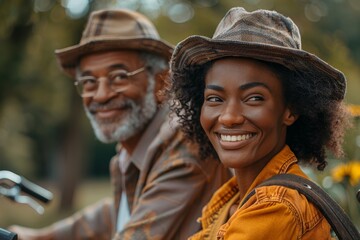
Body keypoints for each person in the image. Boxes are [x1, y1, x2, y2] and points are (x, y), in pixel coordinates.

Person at [10, 9, 232, 240]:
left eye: (119, 77)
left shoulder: (185, 141)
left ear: (161, 82)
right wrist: (34, 236)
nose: (101, 95)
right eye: (89, 82)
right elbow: (114, 213)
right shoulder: (133, 148)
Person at [168, 7, 351, 240]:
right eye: (215, 99)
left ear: (291, 110)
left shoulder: (276, 207)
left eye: (254, 98)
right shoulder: (232, 198)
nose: (229, 117)